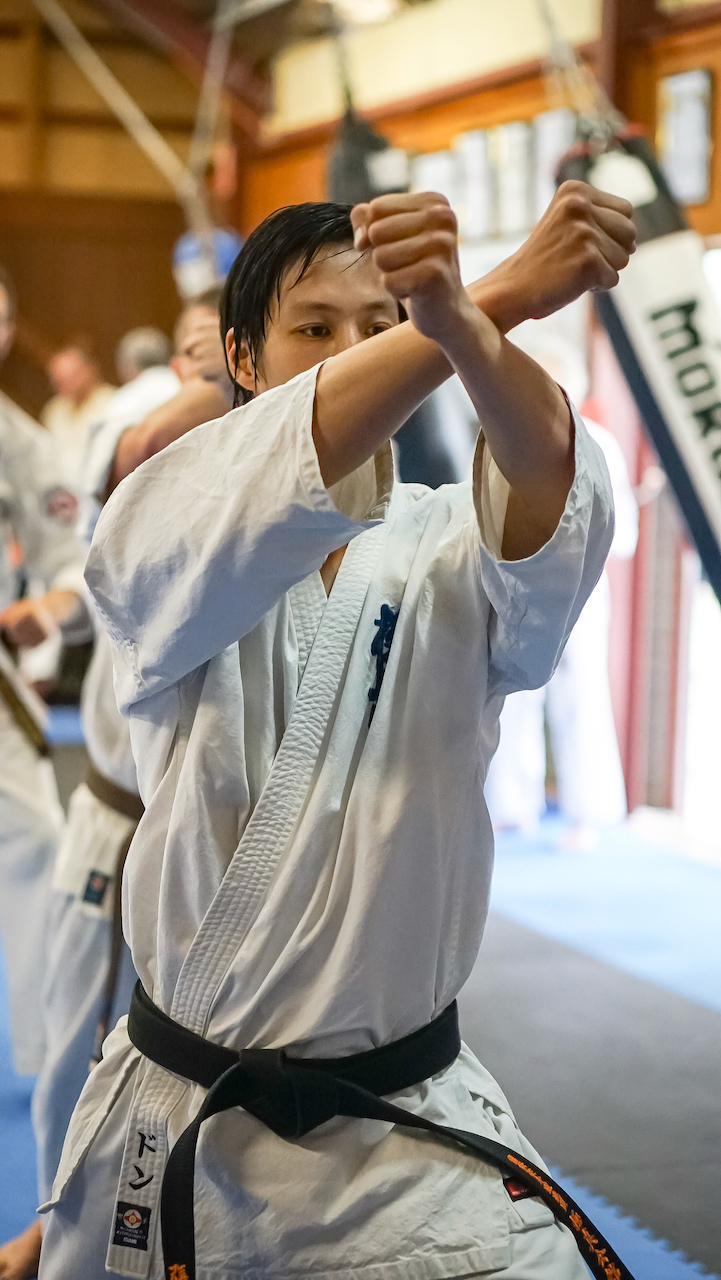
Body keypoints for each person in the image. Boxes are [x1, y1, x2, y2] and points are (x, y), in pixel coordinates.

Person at [39, 182, 635, 1280]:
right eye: (313, 328)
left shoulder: (452, 541)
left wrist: (461, 319)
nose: (357, 352)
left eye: (383, 324)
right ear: (242, 356)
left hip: (399, 1136)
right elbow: (261, 470)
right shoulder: (170, 516)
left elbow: (554, 481)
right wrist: (495, 295)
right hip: (183, 1117)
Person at [0, 305, 229, 1280]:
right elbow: (102, 533)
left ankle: (181, 1228)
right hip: (116, 806)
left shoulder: (311, 481)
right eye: (191, 343)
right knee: (77, 1040)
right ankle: (54, 1224)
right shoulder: (145, 439)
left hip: (213, 834)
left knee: (190, 1050)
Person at [484, 333, 639, 846]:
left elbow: (625, 536)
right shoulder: (508, 441)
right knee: (513, 694)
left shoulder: (601, 445)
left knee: (582, 698)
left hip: (584, 592)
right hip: (520, 589)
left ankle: (586, 814)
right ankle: (511, 805)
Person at [0, 268, 88, 1080]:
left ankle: (38, 1051)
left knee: (36, 840)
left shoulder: (22, 441)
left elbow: (69, 558)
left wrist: (52, 610)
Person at [41, 339, 115, 493]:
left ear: (90, 370)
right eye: (58, 380)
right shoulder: (54, 410)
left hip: (100, 488)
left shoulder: (114, 402)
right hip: (62, 491)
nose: (65, 383)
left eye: (71, 376)